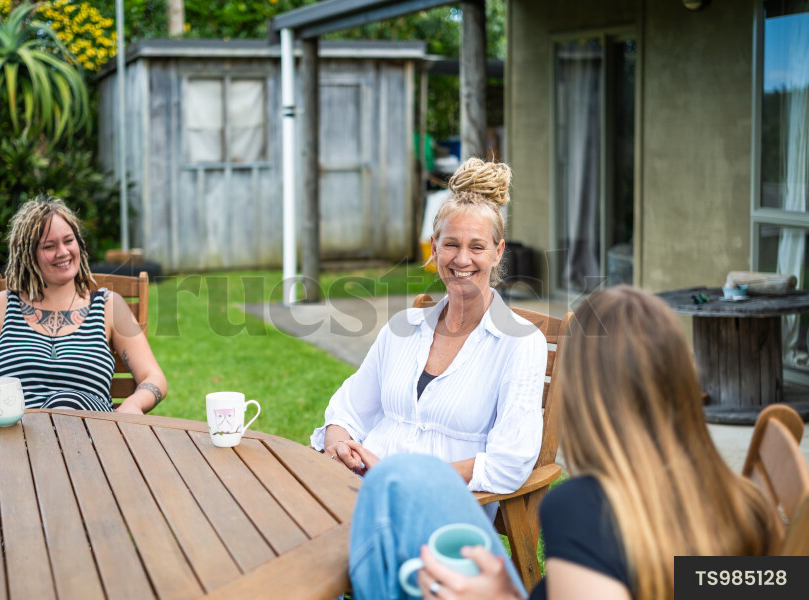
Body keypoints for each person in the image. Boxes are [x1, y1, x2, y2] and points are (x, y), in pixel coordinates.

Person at [350, 287, 779, 600]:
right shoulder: (746, 506)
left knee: (398, 487)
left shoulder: (584, 511)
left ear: (583, 398)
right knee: (407, 481)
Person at [310, 157, 548, 508]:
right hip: (361, 488)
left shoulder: (520, 343)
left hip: (440, 505)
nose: (461, 259)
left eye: (477, 247)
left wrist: (402, 475)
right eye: (451, 244)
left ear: (498, 253)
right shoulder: (403, 328)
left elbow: (510, 462)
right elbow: (347, 411)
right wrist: (338, 445)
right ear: (435, 249)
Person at [0, 196, 166, 415]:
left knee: (67, 402)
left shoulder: (108, 306)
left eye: (68, 241)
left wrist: (133, 404)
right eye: (49, 246)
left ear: (79, 244)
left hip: (89, 441)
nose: (63, 252)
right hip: (16, 441)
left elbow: (153, 377)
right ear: (28, 255)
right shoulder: (2, 306)